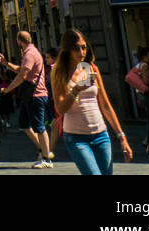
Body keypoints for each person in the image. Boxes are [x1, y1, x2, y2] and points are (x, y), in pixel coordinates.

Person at [51, 29, 131, 175]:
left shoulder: (92, 68)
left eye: (84, 47)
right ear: (67, 49)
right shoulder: (59, 72)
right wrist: (76, 89)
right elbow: (61, 109)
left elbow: (106, 105)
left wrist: (121, 137)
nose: (81, 52)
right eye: (76, 48)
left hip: (101, 135)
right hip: (76, 138)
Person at [0, 31, 53, 168]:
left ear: (18, 41)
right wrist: (6, 64)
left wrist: (8, 89)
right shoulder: (30, 53)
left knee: (39, 127)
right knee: (24, 125)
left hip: (36, 96)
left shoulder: (30, 53)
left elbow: (22, 75)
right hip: (29, 96)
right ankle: (43, 149)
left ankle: (47, 159)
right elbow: (21, 70)